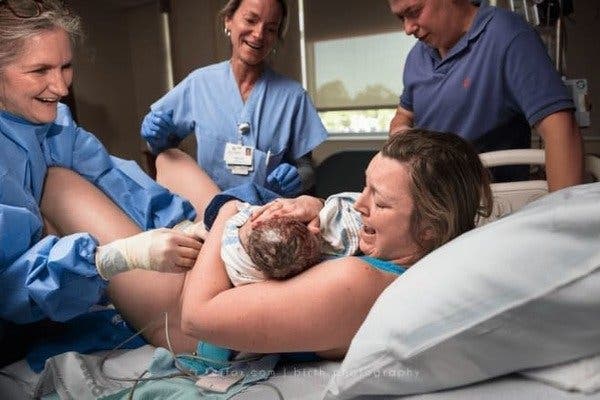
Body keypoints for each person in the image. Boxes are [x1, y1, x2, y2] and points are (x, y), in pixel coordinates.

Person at [97, 129, 493, 358]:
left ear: (429, 228)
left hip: (190, 309)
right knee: (169, 160)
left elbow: (197, 318)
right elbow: (342, 218)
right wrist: (313, 206)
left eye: (381, 201)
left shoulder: (359, 283)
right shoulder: (396, 245)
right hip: (232, 258)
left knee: (69, 186)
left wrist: (228, 217)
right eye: (365, 186)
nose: (359, 204)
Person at [0, 0, 203, 364]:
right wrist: (115, 258)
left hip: (66, 286)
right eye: (40, 70)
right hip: (15, 316)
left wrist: (181, 222)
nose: (61, 87)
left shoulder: (55, 124)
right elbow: (7, 286)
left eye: (66, 66)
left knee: (62, 180)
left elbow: (112, 178)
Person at [387, 0, 583, 192]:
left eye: (414, 12)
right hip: (429, 199)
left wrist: (561, 216)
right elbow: (403, 115)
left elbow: (560, 128)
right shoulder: (417, 57)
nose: (407, 28)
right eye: (401, 18)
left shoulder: (508, 36)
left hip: (487, 205)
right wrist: (401, 132)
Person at [140, 0, 327, 198]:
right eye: (250, 20)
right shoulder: (199, 83)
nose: (258, 34)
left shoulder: (293, 97)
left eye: (271, 28)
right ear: (228, 20)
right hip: (210, 214)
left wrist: (298, 177)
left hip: (266, 217)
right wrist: (156, 136)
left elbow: (307, 168)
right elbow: (164, 150)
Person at [221, 191, 361, 285]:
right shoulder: (246, 270)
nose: (315, 229)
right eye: (305, 225)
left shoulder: (236, 243)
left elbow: (232, 209)